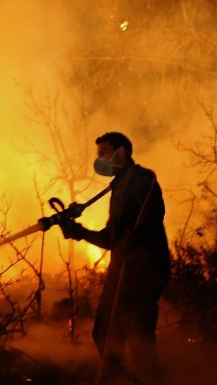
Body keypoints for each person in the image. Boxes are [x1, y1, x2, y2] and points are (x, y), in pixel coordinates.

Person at [59, 132, 171, 384]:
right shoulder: (117, 188)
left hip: (143, 269)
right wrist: (80, 232)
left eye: (104, 153)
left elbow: (153, 210)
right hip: (122, 268)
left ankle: (147, 380)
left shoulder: (141, 177)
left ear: (122, 153)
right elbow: (112, 239)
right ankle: (123, 379)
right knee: (105, 331)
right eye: (98, 154)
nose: (99, 160)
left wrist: (137, 233)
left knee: (137, 333)